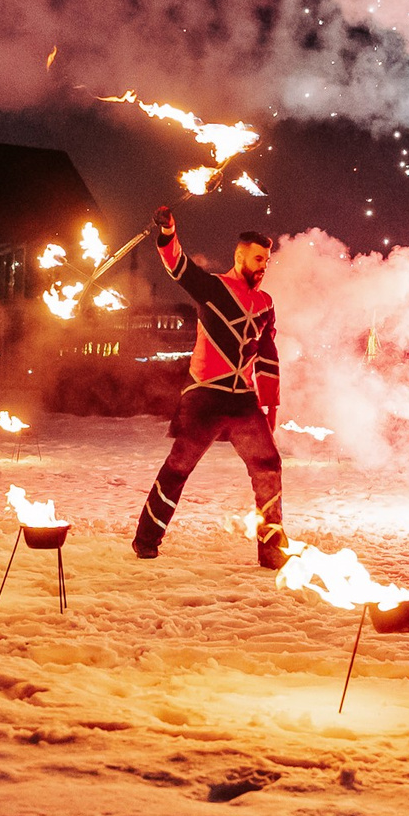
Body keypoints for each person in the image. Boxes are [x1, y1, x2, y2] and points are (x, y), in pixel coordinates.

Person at [130, 205, 289, 568]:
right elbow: (179, 267)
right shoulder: (213, 287)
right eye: (258, 258)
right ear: (240, 256)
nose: (263, 265)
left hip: (243, 401)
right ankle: (146, 539)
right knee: (179, 466)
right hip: (205, 396)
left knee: (268, 467)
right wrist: (168, 232)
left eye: (267, 259)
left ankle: (272, 550)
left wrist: (270, 406)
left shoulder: (265, 304)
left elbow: (266, 352)